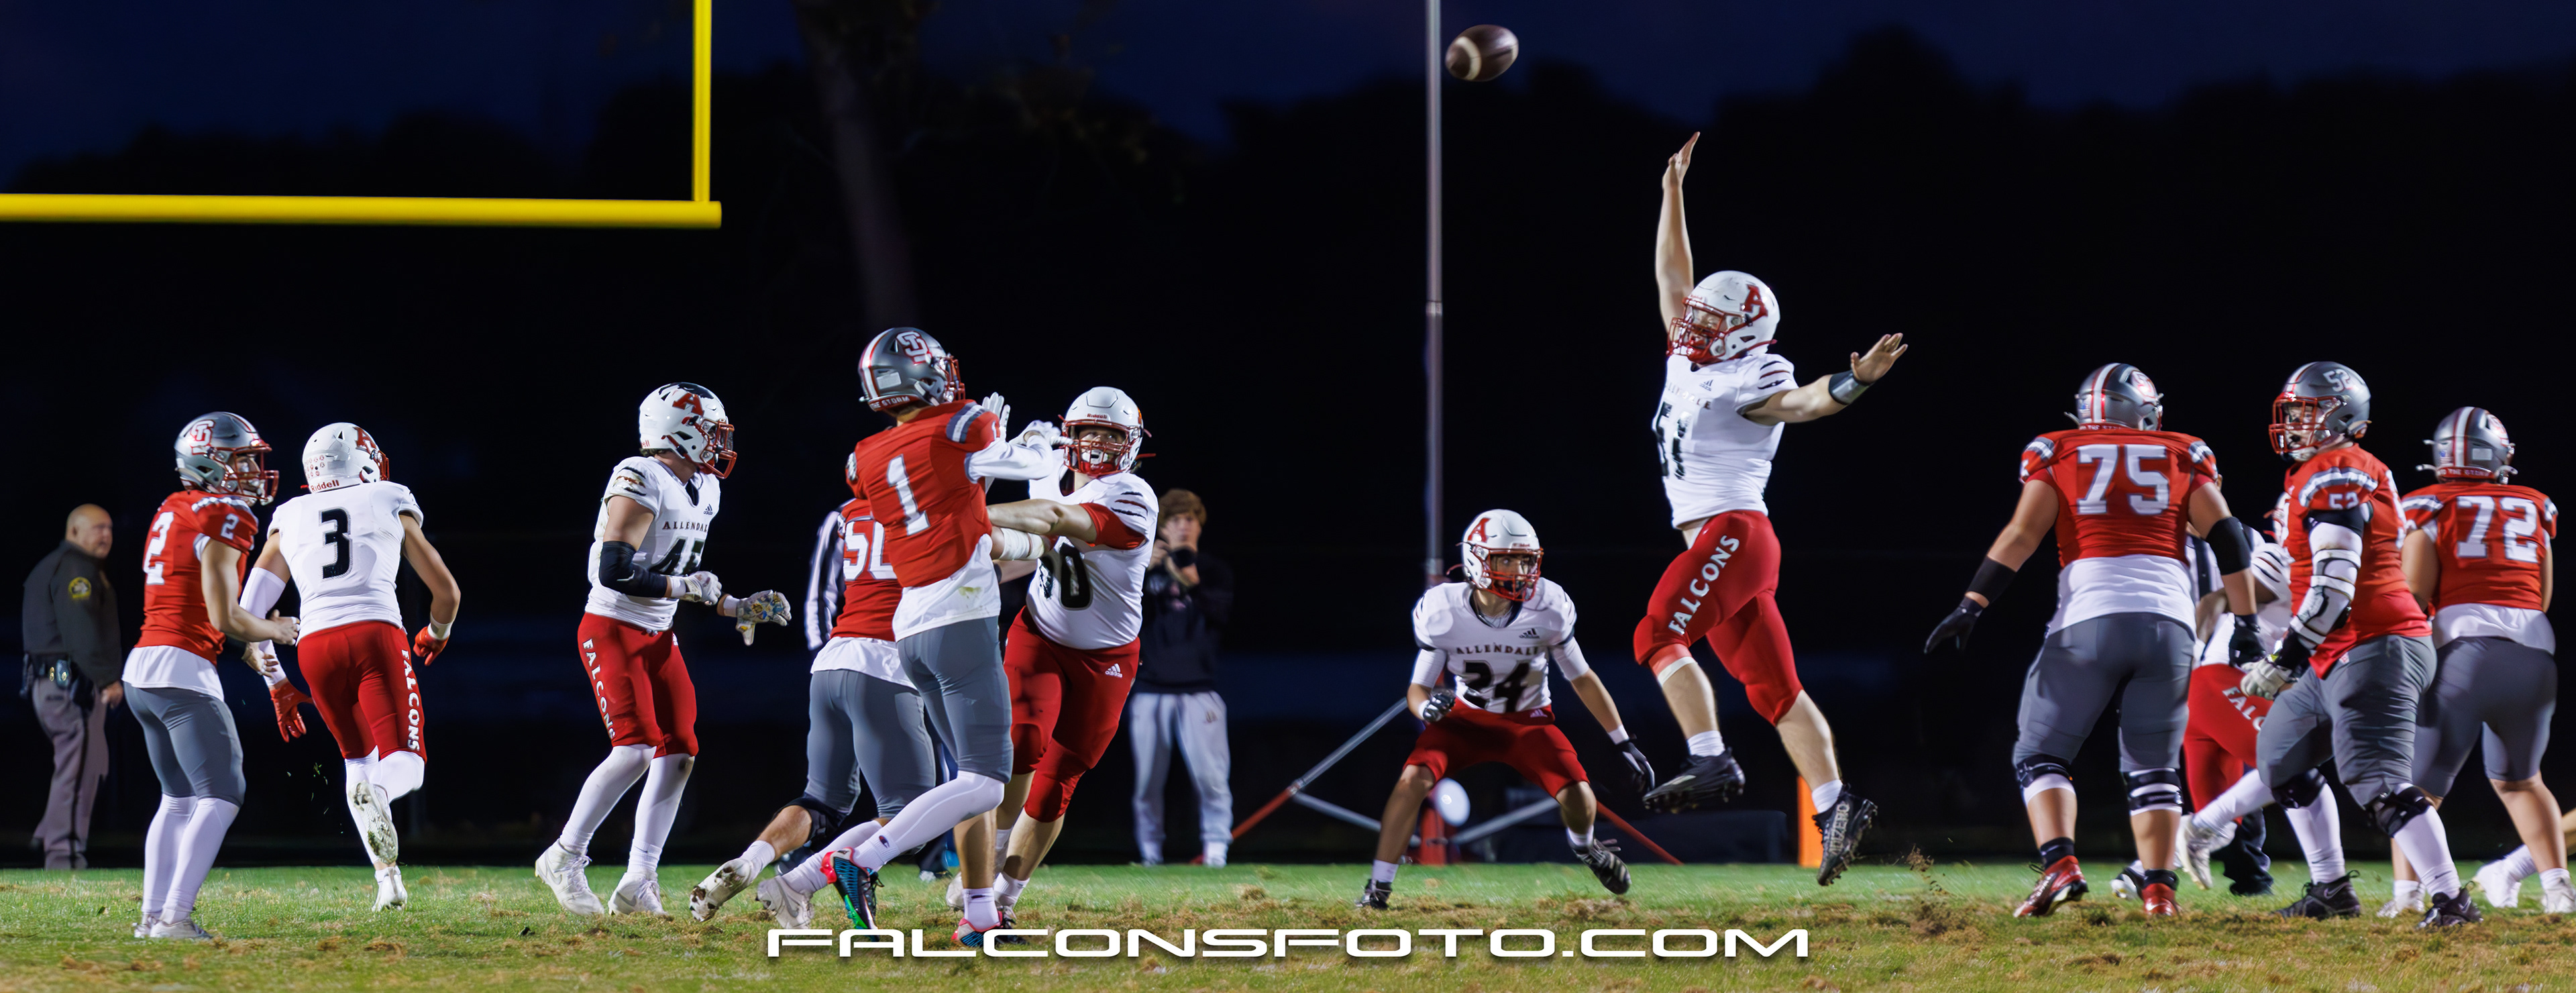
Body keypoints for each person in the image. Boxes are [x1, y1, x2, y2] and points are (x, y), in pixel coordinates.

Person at [1639, 132, 1906, 885]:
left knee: (1656, 635)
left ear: (1746, 334)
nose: (1694, 324)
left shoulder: (1752, 375)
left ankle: (1709, 758)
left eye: (1710, 322)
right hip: (1726, 544)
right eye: (1697, 317)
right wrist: (1672, 192)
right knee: (1774, 690)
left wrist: (1855, 383)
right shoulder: (1691, 354)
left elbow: (1806, 402)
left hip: (1734, 533)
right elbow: (1672, 274)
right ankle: (1837, 803)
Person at [754, 327, 1069, 934]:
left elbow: (948, 512)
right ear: (922, 375)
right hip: (959, 620)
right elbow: (1024, 468)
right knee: (986, 782)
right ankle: (858, 859)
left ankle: (975, 915)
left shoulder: (866, 456)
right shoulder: (965, 424)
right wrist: (1032, 445)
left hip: (911, 628)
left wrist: (986, 480)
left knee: (965, 783)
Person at [1924, 364, 2258, 917]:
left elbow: (2022, 534)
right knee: (2154, 767)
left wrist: (1971, 604)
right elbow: (2226, 535)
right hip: (2170, 624)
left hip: (2089, 619)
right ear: (2144, 413)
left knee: (2040, 753)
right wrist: (2245, 622)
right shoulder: (2183, 451)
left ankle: (2060, 865)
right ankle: (2159, 893)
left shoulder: (2058, 449)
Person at [2229, 362, 2476, 928]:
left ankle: (2452, 902)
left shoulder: (2337, 471)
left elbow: (2335, 587)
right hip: (2337, 650)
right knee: (2281, 758)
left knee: (2378, 782)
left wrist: (2285, 657)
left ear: (2341, 417)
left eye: (2305, 412)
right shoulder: (2316, 472)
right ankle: (2332, 890)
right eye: (2292, 412)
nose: (2294, 423)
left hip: (2375, 644)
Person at [534, 384, 792, 917]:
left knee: (680, 752)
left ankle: (638, 879)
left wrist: (736, 606)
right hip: (613, 627)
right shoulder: (640, 475)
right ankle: (564, 856)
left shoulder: (705, 488)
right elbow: (615, 570)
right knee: (635, 748)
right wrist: (685, 588)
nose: (720, 442)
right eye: (712, 431)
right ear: (680, 431)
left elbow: (680, 575)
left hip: (659, 632)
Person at [942, 386, 1159, 943]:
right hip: (1039, 634)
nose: (1099, 442)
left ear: (1132, 444)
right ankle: (986, 862)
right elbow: (1026, 547)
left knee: (1057, 783)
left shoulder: (1133, 495)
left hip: (1107, 657)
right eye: (1090, 431)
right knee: (1021, 742)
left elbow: (1057, 516)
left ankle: (1006, 896)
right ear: (1071, 434)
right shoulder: (1047, 466)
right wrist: (977, 483)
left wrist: (969, 514)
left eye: (1111, 434)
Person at [1355, 511, 1654, 909]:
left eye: (1526, 560)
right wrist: (1426, 710)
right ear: (1477, 560)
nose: (1521, 570)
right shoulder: (1443, 610)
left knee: (1581, 797)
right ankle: (1378, 888)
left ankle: (1586, 848)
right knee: (1411, 782)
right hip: (1466, 721)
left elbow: (1582, 678)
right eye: (1507, 559)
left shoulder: (1549, 605)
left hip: (1528, 723)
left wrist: (1622, 741)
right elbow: (1418, 688)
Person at [239, 423, 462, 911]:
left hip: (314, 648)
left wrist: (278, 684)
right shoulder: (387, 496)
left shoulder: (290, 514)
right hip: (375, 635)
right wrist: (437, 631)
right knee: (405, 763)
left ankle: (388, 882)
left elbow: (249, 615)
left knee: (357, 763)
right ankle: (378, 795)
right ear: (362, 463)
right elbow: (447, 592)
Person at [687, 493, 934, 922]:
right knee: (913, 816)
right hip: (887, 664)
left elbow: (825, 589)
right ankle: (800, 881)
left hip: (833, 661)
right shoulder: (933, 507)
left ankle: (750, 862)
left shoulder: (850, 512)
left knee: (824, 801)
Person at [2381, 408, 2569, 914]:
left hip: (2462, 655)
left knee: (2417, 789)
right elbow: (2542, 596)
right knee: (2522, 781)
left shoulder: (2427, 505)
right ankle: (2558, 890)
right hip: (2535, 659)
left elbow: (2415, 595)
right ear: (2498, 457)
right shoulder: (2534, 505)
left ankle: (2408, 895)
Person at [126, 412, 301, 940]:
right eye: (242, 460)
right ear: (210, 462)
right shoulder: (227, 513)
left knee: (178, 799)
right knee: (223, 792)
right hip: (182, 672)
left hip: (143, 671)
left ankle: (152, 917)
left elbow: (196, 604)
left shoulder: (174, 506)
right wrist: (275, 630)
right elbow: (225, 615)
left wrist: (243, 642)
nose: (252, 471)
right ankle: (175, 917)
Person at [1127, 488, 1236, 868]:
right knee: (1147, 781)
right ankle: (1150, 853)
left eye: (1190, 519)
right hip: (1150, 689)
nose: (1184, 526)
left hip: (1199, 690)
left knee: (1211, 777)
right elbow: (1120, 617)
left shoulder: (1214, 571)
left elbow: (1221, 615)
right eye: (1175, 520)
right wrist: (1141, 568)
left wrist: (1183, 576)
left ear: (1200, 526)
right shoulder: (1143, 569)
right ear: (1163, 528)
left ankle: (1217, 850)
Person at [22, 504, 123, 870]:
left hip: (55, 679)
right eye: (98, 528)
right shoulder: (75, 569)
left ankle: (49, 831)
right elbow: (79, 630)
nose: (106, 535)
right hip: (66, 681)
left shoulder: (59, 565)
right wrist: (106, 679)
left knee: (90, 763)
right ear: (75, 531)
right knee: (77, 766)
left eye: (109, 528)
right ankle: (62, 855)